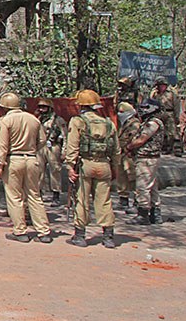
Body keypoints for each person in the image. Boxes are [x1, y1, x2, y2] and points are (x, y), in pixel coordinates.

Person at [0, 92, 52, 243]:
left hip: (13, 160)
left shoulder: (5, 121)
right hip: (31, 159)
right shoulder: (33, 119)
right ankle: (43, 231)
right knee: (34, 195)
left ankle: (20, 231)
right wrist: (31, 150)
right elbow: (42, 140)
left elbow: (2, 145)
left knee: (14, 197)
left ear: (5, 107)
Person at [65, 89, 120, 249]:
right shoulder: (108, 123)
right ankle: (108, 236)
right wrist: (115, 167)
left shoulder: (78, 121)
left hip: (85, 165)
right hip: (104, 164)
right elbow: (116, 149)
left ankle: (80, 236)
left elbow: (72, 146)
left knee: (81, 200)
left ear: (81, 105)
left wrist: (70, 166)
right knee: (104, 201)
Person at [126, 99, 166, 225]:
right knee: (151, 186)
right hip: (147, 157)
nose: (142, 110)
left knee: (143, 186)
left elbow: (142, 140)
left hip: (147, 158)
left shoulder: (153, 123)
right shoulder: (148, 122)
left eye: (145, 107)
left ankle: (143, 214)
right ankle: (155, 213)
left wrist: (128, 147)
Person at [37, 98, 67, 205]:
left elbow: (65, 136)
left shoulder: (58, 120)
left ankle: (56, 195)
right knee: (39, 171)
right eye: (40, 107)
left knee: (55, 170)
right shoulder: (39, 119)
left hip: (53, 147)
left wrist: (64, 152)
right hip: (41, 147)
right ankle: (39, 193)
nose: (41, 109)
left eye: (44, 107)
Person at [114, 102, 140, 215]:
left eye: (121, 112)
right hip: (121, 153)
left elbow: (134, 138)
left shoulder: (134, 124)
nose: (119, 114)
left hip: (130, 154)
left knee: (132, 177)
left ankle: (137, 201)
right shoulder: (122, 123)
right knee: (121, 177)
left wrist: (129, 149)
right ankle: (123, 200)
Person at [153, 77, 182, 157]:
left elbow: (176, 105)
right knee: (162, 132)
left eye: (161, 85)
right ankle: (165, 148)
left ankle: (177, 149)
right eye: (158, 85)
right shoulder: (155, 93)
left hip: (170, 113)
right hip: (160, 113)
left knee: (173, 132)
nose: (159, 87)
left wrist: (177, 116)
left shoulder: (172, 93)